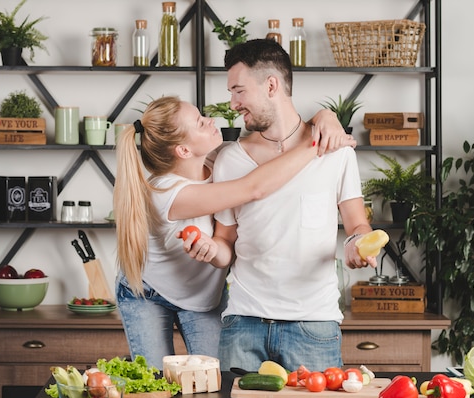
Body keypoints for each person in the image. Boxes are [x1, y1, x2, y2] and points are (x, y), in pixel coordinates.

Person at [112, 95, 354, 369]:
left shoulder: (218, 158)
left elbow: (287, 131)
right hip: (150, 294)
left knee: (215, 382)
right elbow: (254, 188)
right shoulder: (169, 193)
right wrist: (320, 145)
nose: (211, 121)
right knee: (155, 381)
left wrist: (325, 117)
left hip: (203, 296)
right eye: (200, 123)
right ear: (183, 151)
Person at [209, 39, 378, 373]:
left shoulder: (336, 150)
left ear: (271, 85)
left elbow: (358, 225)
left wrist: (358, 243)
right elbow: (225, 240)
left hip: (313, 327)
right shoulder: (229, 160)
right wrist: (206, 248)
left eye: (239, 91)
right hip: (243, 323)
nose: (233, 103)